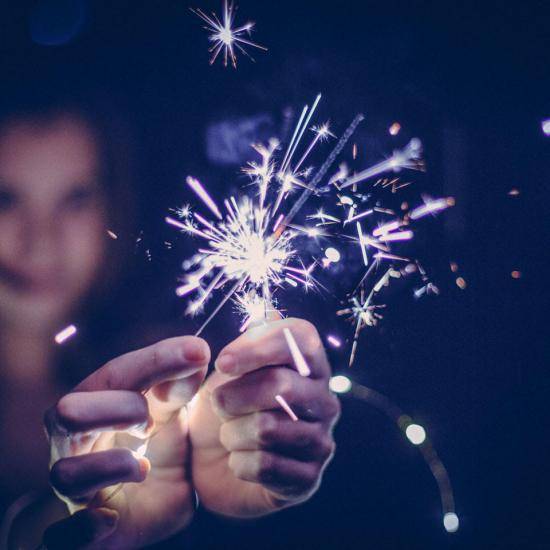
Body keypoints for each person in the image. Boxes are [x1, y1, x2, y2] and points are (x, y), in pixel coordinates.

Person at [0, 83, 340, 547]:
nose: (41, 242)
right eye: (5, 199)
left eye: (75, 198)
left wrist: (238, 484)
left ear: (112, 206)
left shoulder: (164, 398)